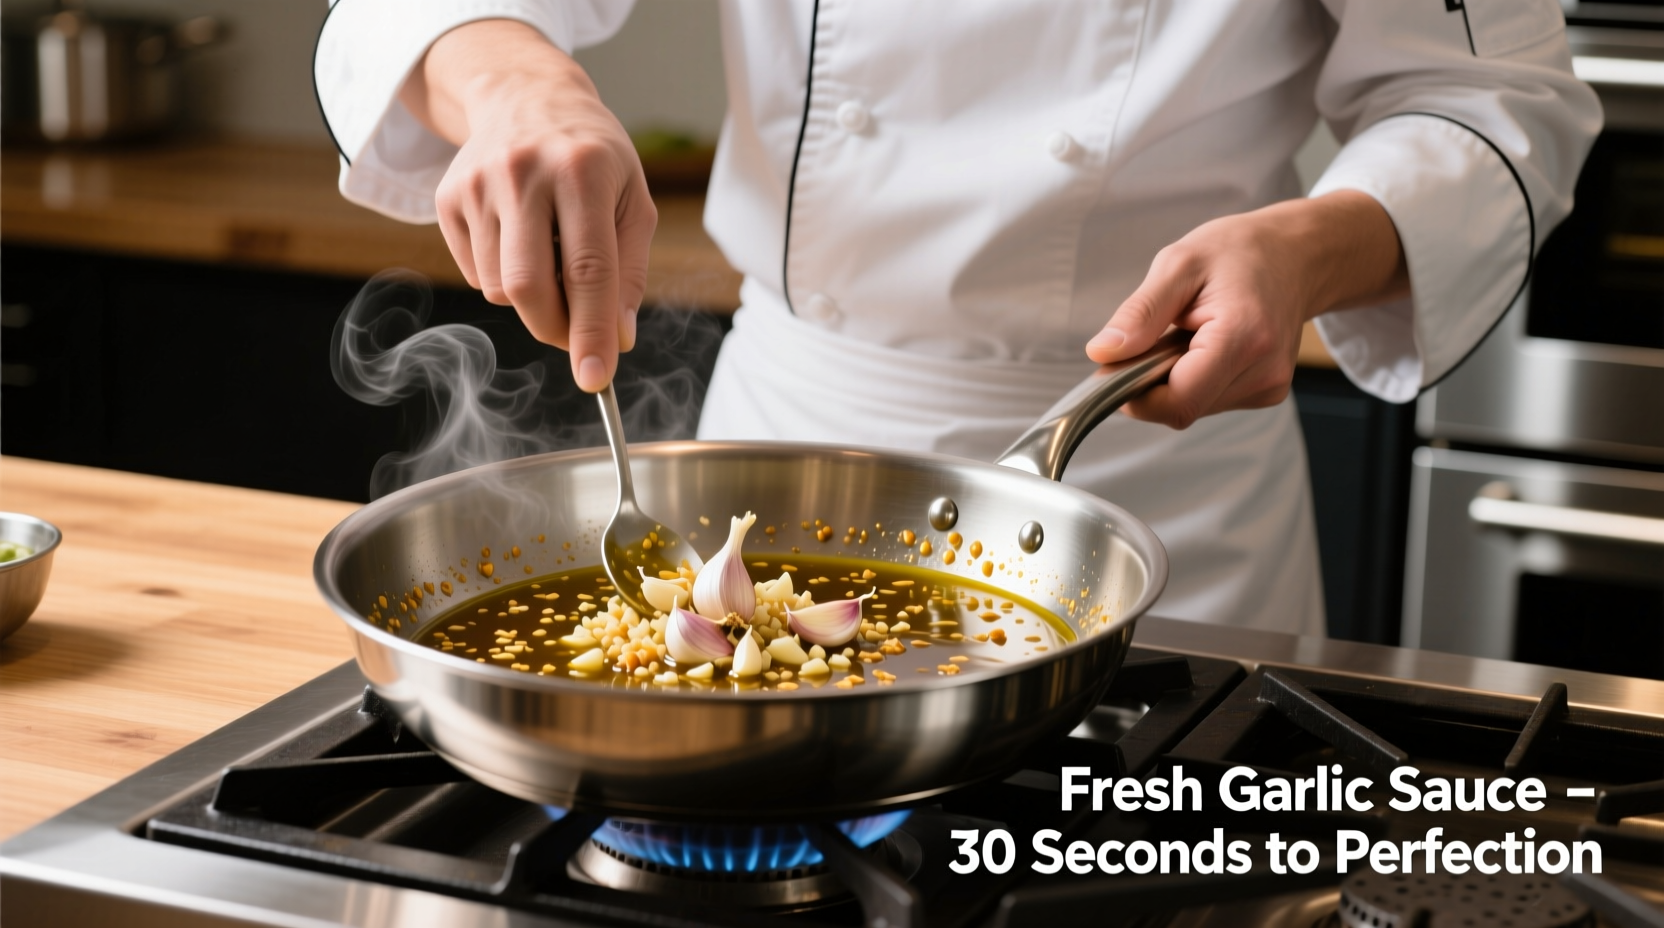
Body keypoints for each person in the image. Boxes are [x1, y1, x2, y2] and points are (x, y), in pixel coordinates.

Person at [315, 2, 1599, 636]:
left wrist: (1306, 248)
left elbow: (1495, 105)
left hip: (1146, 473)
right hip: (788, 422)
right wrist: (514, 80)